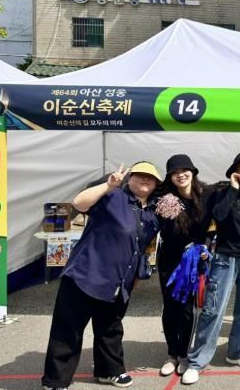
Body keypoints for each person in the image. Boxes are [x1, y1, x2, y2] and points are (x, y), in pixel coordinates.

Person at [42, 161, 162, 390]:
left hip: (119, 281)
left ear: (156, 184)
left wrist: (134, 279)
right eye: (140, 175)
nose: (145, 179)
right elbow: (79, 203)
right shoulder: (113, 196)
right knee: (68, 329)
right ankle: (56, 380)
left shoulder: (153, 212)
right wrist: (108, 185)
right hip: (85, 274)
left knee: (110, 328)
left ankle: (109, 371)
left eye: (151, 177)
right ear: (130, 178)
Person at [182, 151, 240, 385]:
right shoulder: (223, 193)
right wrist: (233, 189)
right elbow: (219, 217)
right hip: (224, 258)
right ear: (235, 172)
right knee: (213, 309)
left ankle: (237, 352)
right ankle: (197, 361)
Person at [156, 154, 215, 377]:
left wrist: (206, 247)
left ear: (193, 172)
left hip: (194, 260)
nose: (180, 175)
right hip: (169, 260)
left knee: (188, 308)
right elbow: (163, 231)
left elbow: (214, 225)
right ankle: (172, 354)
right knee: (170, 307)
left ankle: (183, 354)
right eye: (175, 172)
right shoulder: (165, 198)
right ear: (170, 177)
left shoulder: (207, 195)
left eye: (184, 170)